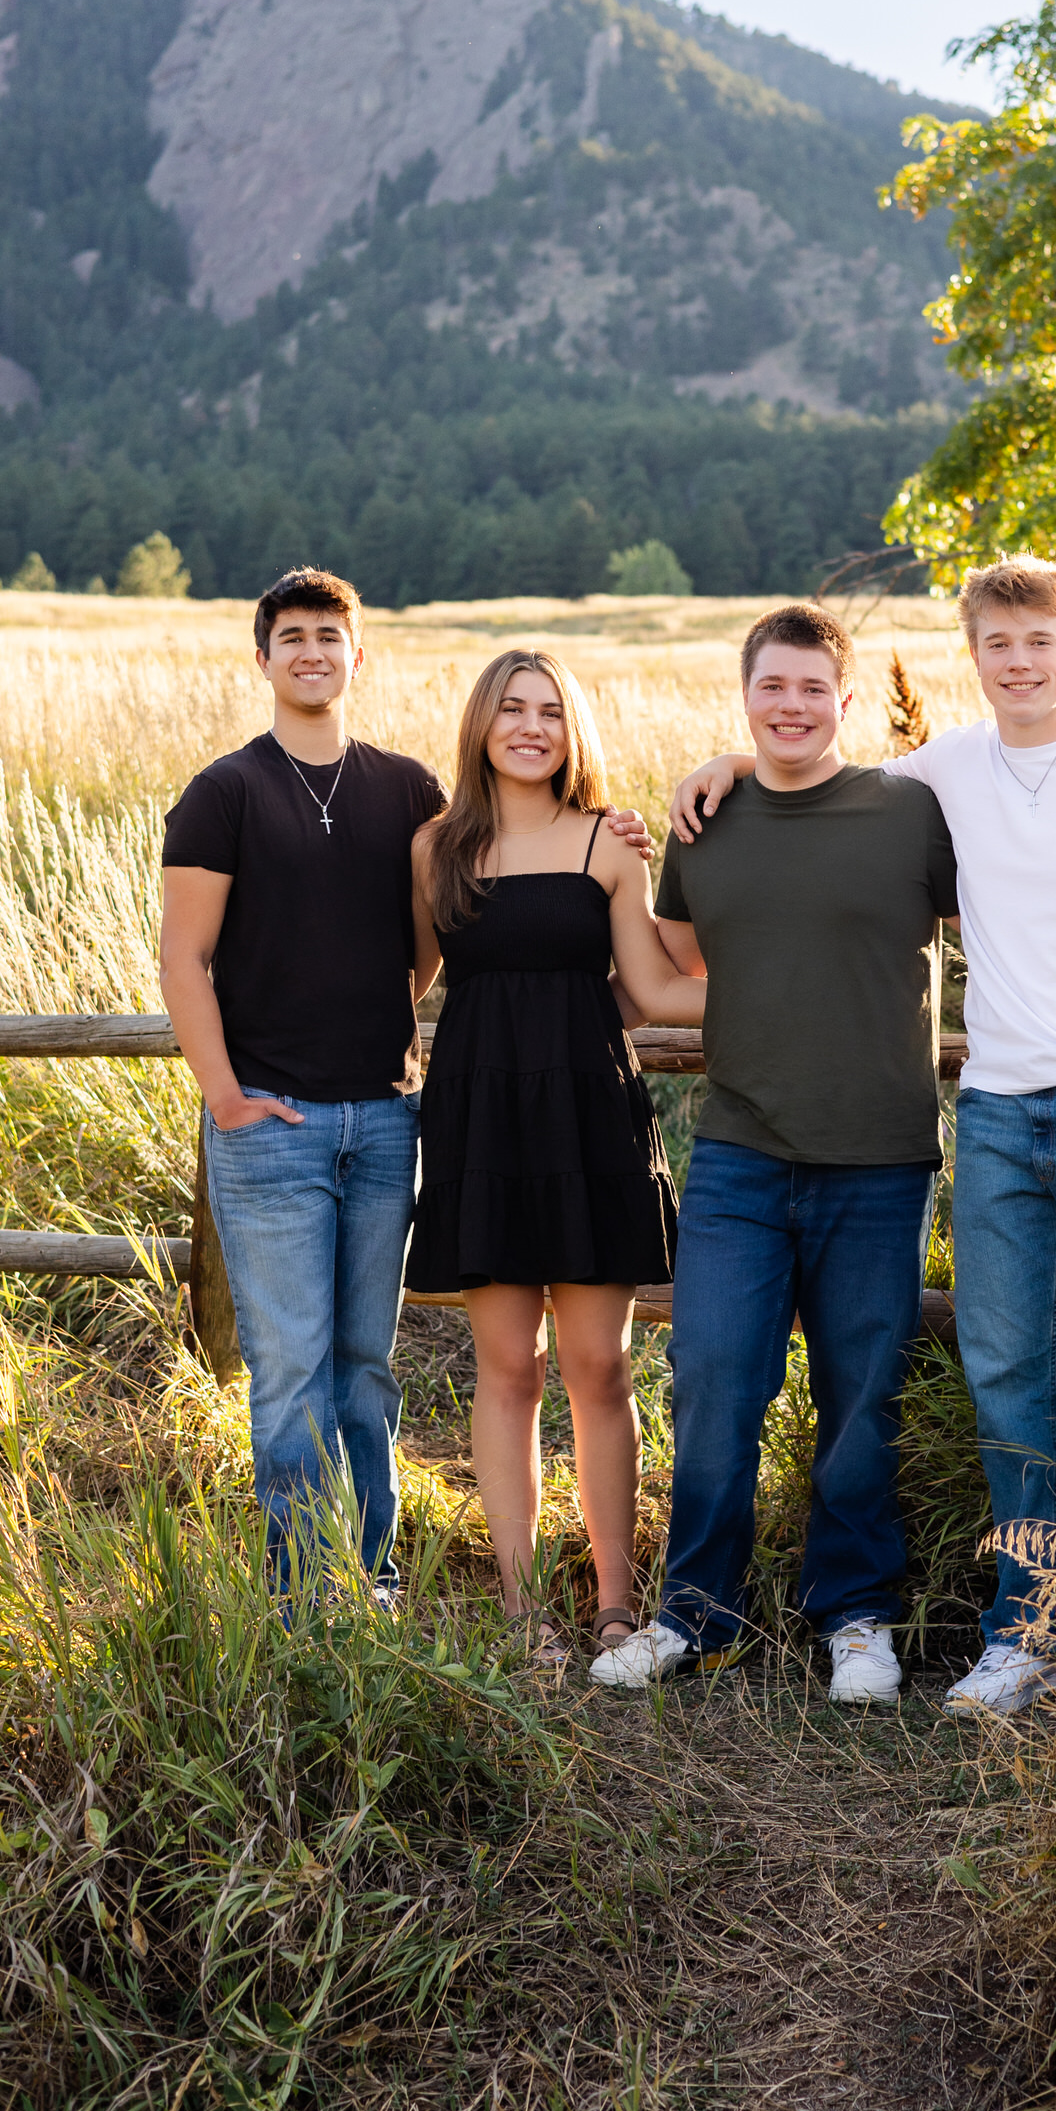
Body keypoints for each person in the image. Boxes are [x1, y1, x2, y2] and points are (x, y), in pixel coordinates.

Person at [670, 557, 1056, 1717]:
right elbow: (816, 764)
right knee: (1008, 1379)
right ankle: (1028, 1626)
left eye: (1039, 642)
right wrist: (731, 761)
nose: (1019, 663)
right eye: (997, 643)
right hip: (994, 1116)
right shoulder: (941, 773)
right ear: (973, 654)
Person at [160, 571, 654, 1605]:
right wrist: (226, 1093)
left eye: (329, 637)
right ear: (263, 659)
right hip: (328, 1120)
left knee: (382, 1368)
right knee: (310, 1370)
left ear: (357, 654)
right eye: (290, 637)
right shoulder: (265, 801)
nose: (311, 652)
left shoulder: (442, 803)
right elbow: (198, 958)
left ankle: (392, 1575)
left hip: (437, 1118)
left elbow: (548, 959)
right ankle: (316, 1589)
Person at [591, 604, 961, 1707]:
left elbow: (1020, 902)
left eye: (813, 689)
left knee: (861, 1398)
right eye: (772, 687)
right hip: (741, 1153)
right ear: (743, 693)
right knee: (712, 1383)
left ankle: (856, 1618)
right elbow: (689, 971)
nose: (791, 706)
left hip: (878, 1157)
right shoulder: (707, 823)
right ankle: (696, 1614)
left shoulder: (912, 813)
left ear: (845, 702)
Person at [404, 649, 706, 1664]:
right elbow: (400, 986)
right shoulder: (436, 849)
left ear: (571, 730)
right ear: (481, 724)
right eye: (511, 710)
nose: (530, 727)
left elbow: (660, 994)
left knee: (598, 1367)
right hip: (479, 1128)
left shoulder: (607, 844)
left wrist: (807, 986)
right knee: (506, 1371)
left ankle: (616, 1600)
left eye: (549, 712)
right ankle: (522, 1604)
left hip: (589, 1122)